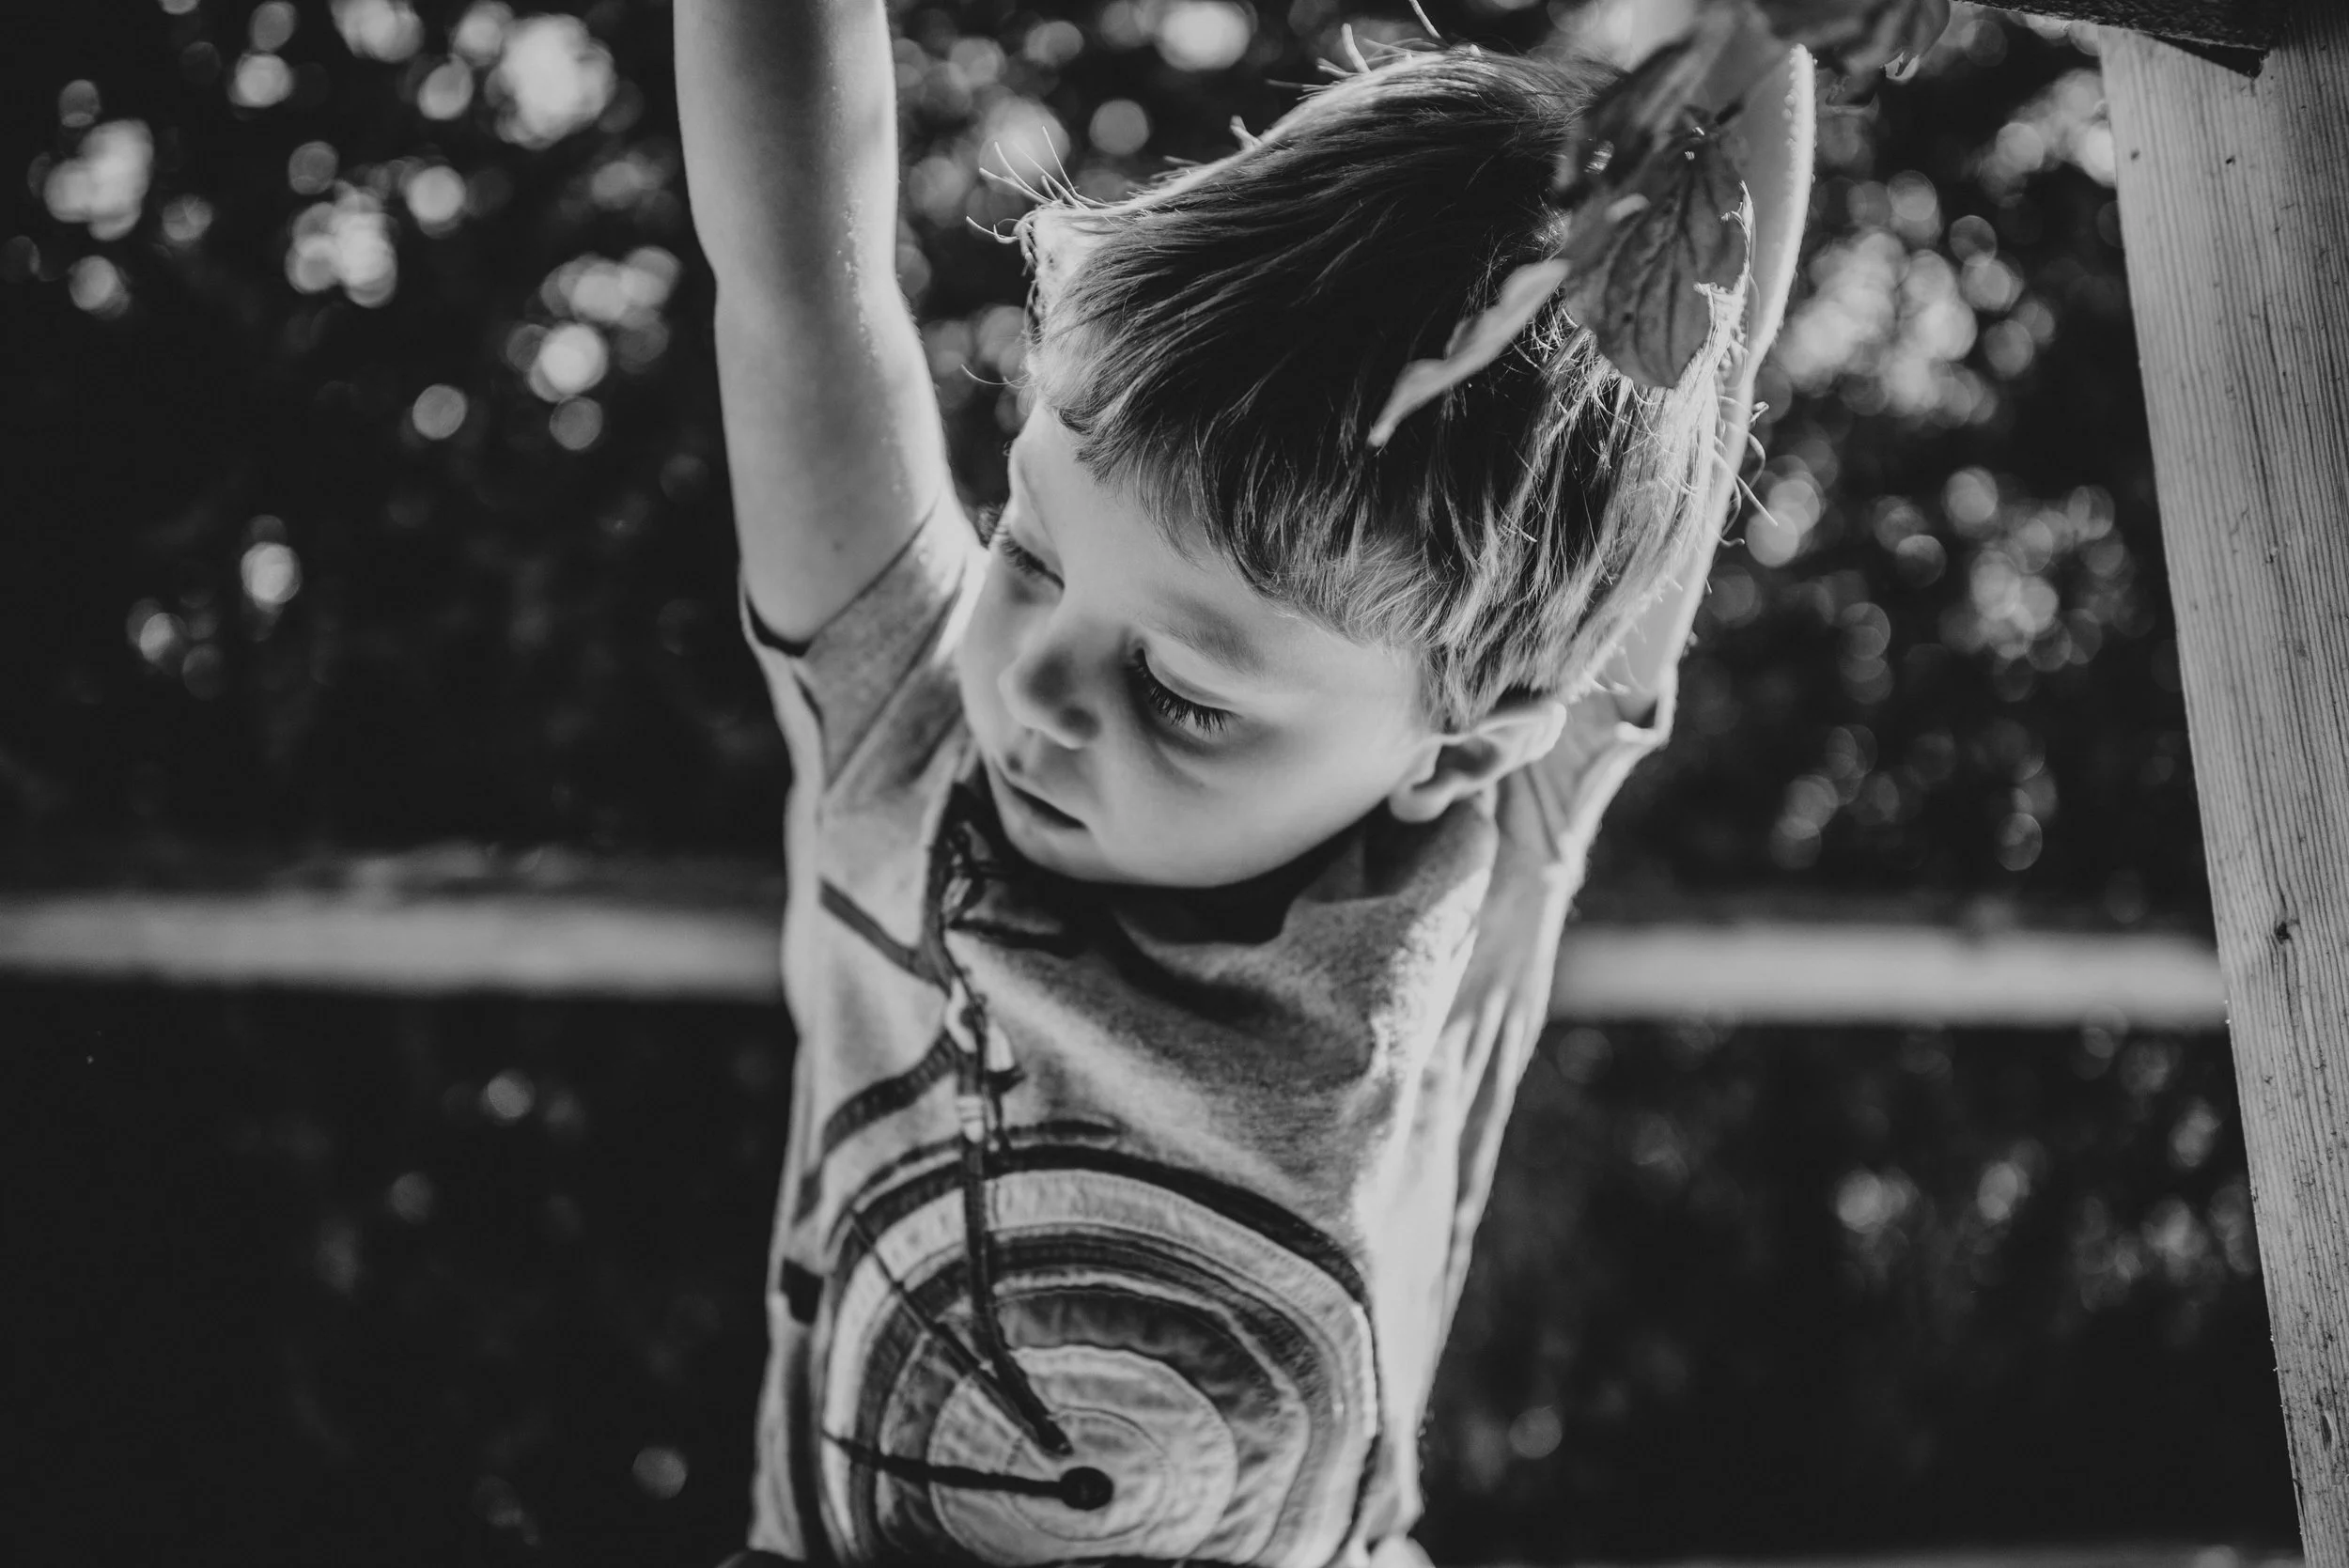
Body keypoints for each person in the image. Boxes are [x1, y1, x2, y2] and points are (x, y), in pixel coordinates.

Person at [676, 2, 1810, 1562]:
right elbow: (801, 280)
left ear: (1465, 741)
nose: (1033, 684)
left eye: (1179, 692)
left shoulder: (1477, 859)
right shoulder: (908, 732)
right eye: (1029, 554)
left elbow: (1708, 284)